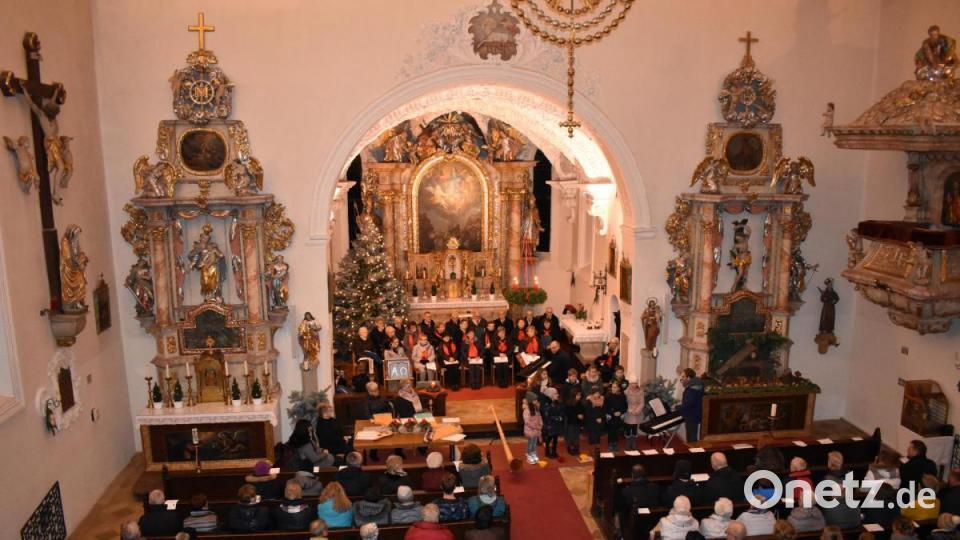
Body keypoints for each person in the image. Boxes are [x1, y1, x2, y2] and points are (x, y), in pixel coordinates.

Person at [619, 464, 661, 530]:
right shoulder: (655, 487)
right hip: (652, 522)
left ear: (632, 475)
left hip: (634, 525)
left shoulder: (627, 491)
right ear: (644, 474)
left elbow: (623, 508)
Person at [678, 368, 704, 442]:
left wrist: (676, 407)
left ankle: (693, 451)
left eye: (683, 377)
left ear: (688, 378)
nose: (681, 379)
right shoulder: (698, 385)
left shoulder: (691, 389)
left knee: (691, 438)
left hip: (691, 416)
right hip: (695, 414)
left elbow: (687, 405)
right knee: (693, 436)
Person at [541, 387, 566, 459]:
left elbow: (561, 410)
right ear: (550, 395)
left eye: (557, 393)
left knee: (555, 439)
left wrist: (561, 416)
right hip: (550, 425)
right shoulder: (547, 405)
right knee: (549, 439)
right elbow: (547, 416)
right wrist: (557, 418)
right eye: (555, 394)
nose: (557, 395)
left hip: (556, 425)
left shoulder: (557, 403)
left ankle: (554, 451)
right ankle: (547, 452)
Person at [605, 382, 627, 451]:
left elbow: (625, 406)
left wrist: (620, 412)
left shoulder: (622, 396)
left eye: (615, 387)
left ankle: (615, 444)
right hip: (611, 417)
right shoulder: (608, 396)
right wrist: (612, 413)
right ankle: (610, 445)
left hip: (618, 416)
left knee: (616, 431)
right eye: (612, 387)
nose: (613, 388)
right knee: (611, 431)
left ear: (618, 388)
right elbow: (605, 407)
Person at [624, 380, 645, 451]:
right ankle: (628, 442)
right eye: (632, 383)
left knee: (634, 427)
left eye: (635, 383)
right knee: (628, 427)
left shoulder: (640, 391)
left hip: (637, 412)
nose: (634, 384)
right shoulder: (626, 392)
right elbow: (624, 403)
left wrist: (637, 411)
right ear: (629, 384)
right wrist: (630, 410)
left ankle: (633, 442)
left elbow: (642, 403)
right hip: (628, 411)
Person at [523, 396, 543, 464]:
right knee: (530, 442)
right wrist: (535, 427)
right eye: (535, 400)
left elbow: (539, 417)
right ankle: (529, 454)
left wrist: (540, 424)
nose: (536, 402)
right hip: (530, 430)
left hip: (536, 429)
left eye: (536, 400)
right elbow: (527, 422)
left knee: (534, 443)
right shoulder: (527, 411)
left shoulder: (536, 409)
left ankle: (533, 453)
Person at [565, 387, 585, 456]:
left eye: (580, 395)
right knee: (571, 436)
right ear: (573, 395)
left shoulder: (580, 403)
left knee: (577, 436)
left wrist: (582, 416)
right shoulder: (569, 403)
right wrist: (577, 416)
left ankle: (576, 448)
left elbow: (582, 411)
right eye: (578, 395)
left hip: (577, 423)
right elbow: (568, 413)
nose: (579, 396)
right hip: (571, 423)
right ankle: (570, 448)